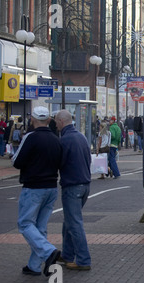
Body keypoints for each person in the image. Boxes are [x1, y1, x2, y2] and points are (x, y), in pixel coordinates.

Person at [12, 106, 62, 276]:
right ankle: (34, 265)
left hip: (33, 186)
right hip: (51, 186)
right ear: (49, 120)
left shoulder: (30, 137)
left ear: (32, 120)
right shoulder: (56, 139)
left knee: (25, 223)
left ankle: (48, 252)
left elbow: (17, 161)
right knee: (40, 226)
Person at [55, 110, 92, 271]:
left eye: (56, 122)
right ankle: (67, 254)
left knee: (74, 224)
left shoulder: (64, 140)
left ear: (61, 122)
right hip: (85, 184)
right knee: (69, 222)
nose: (55, 125)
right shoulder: (81, 137)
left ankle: (83, 260)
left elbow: (59, 162)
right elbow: (88, 159)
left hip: (72, 185)